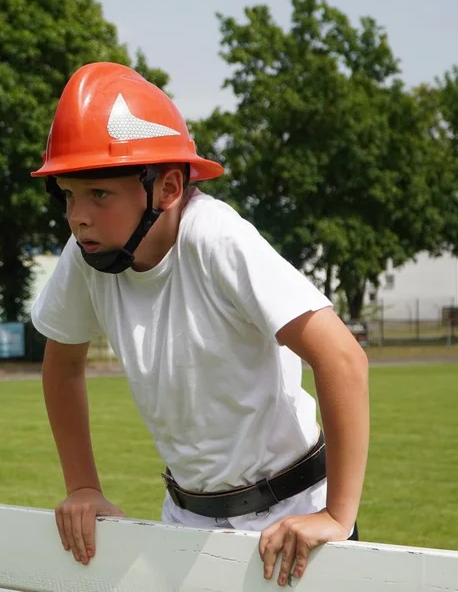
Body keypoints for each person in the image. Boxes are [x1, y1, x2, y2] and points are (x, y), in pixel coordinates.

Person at [29, 62, 370, 587]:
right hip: (185, 521)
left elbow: (341, 356)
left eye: (99, 193)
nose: (78, 216)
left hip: (295, 516)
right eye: (68, 195)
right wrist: (82, 487)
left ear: (166, 187)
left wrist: (336, 517)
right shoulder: (86, 256)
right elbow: (62, 366)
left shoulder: (215, 239)